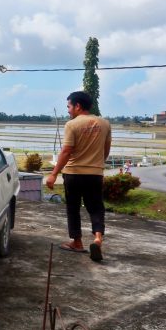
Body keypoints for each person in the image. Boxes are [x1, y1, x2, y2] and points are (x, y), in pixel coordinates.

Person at [45, 91, 112, 262]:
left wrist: (53, 174)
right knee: (96, 207)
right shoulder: (104, 124)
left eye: (69, 106)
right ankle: (98, 238)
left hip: (73, 174)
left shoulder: (72, 125)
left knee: (73, 208)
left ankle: (77, 242)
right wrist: (96, 164)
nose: (68, 110)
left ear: (77, 106)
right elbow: (106, 149)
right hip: (95, 174)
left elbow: (66, 151)